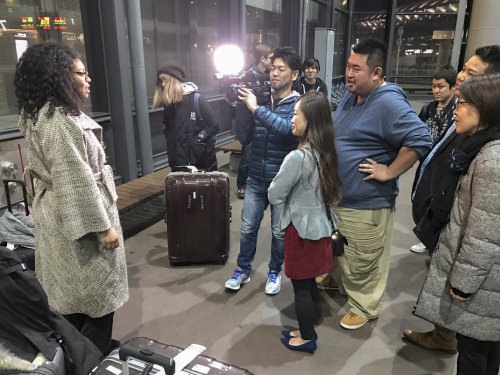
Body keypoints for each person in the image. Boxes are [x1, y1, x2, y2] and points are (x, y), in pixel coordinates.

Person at [14, 42, 129, 355]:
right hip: (78, 221)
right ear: (61, 78)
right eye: (81, 73)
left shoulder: (39, 113)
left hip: (56, 212)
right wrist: (102, 228)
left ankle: (80, 352)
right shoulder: (61, 121)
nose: (88, 79)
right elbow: (74, 179)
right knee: (97, 299)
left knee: (70, 295)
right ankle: (89, 357)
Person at [317, 38, 432, 330]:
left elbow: (420, 139)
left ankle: (364, 306)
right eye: (348, 66)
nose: (349, 73)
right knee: (342, 248)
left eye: (357, 68)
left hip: (367, 201)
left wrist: (390, 171)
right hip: (340, 197)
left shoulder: (388, 102)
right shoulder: (352, 95)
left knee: (364, 257)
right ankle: (338, 279)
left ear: (377, 73)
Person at [403, 45, 500, 353]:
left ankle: (447, 336)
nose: (460, 76)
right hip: (448, 229)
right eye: (463, 69)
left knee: (474, 343)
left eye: (471, 74)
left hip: (464, 245)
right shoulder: (465, 121)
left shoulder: (489, 157)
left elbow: (483, 232)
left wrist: (464, 281)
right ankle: (444, 334)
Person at [268, 91, 342, 353]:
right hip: (321, 228)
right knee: (309, 282)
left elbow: (274, 193)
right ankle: (306, 327)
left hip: (300, 232)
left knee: (300, 287)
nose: (292, 118)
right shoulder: (325, 151)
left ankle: (307, 337)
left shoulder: (298, 158)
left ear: (310, 120)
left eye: (297, 113)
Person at [224, 46, 301, 295]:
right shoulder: (260, 100)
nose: (274, 74)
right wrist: (241, 106)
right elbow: (245, 137)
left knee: (279, 233)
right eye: (272, 69)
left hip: (282, 182)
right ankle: (243, 269)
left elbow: (286, 131)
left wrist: (256, 109)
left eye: (281, 69)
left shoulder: (299, 105)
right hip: (256, 177)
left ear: (295, 75)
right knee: (247, 228)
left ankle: (274, 271)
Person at [410, 64, 458, 254]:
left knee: (439, 203)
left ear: (452, 87)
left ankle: (433, 239)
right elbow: (417, 129)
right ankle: (425, 235)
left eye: (441, 87)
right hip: (427, 162)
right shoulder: (428, 109)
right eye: (434, 86)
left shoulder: (457, 109)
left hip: (446, 165)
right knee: (420, 198)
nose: (436, 91)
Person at [152, 62, 220, 172]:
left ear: (174, 80)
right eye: (161, 81)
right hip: (177, 162)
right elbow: (168, 128)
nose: (163, 84)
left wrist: (196, 140)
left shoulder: (196, 99)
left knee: (199, 189)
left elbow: (214, 125)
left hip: (200, 162)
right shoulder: (169, 104)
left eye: (165, 80)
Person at [236, 44, 273, 199]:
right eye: (270, 58)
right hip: (250, 122)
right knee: (248, 154)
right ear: (263, 59)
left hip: (266, 118)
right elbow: (239, 103)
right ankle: (242, 185)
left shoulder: (271, 75)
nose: (273, 61)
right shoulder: (246, 76)